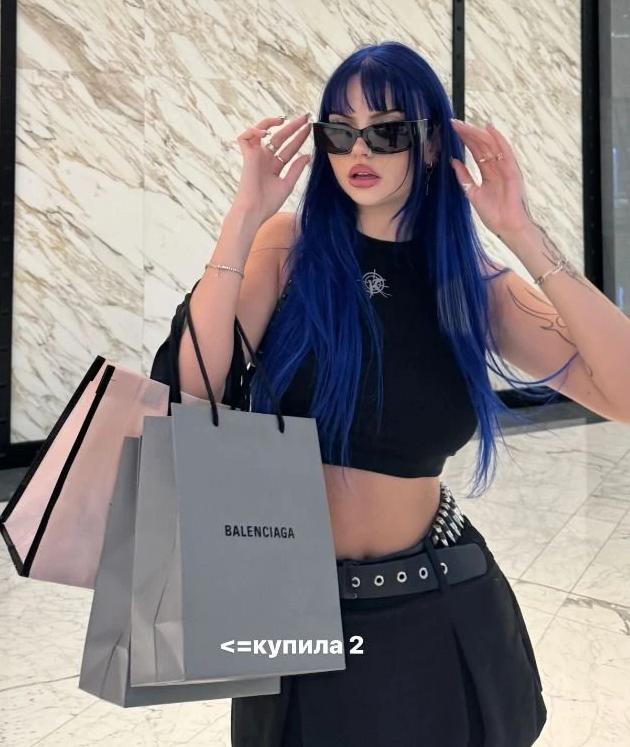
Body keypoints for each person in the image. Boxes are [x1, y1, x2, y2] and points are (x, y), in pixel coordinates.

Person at [170, 40, 628, 747]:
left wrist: (522, 232)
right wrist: (244, 215)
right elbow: (193, 386)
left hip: (438, 604)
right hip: (290, 603)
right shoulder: (288, 248)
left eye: (386, 132)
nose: (360, 150)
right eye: (339, 131)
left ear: (432, 142)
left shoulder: (471, 287)